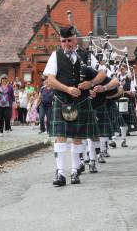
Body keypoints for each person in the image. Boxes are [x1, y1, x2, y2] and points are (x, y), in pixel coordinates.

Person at [44, 26, 106, 186]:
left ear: (75, 40)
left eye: (69, 40)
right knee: (61, 138)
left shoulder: (86, 56)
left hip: (82, 102)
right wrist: (67, 89)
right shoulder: (55, 56)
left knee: (78, 137)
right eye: (63, 41)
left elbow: (103, 73)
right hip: (62, 100)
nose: (67, 44)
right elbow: (50, 79)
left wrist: (91, 83)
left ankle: (74, 172)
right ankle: (60, 173)